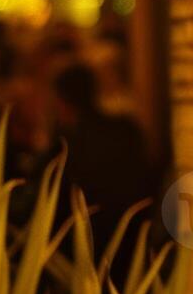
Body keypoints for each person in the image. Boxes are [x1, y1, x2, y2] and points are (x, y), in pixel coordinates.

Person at [51, 64, 156, 231]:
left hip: (93, 235)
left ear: (62, 102)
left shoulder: (68, 145)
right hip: (135, 229)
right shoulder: (126, 128)